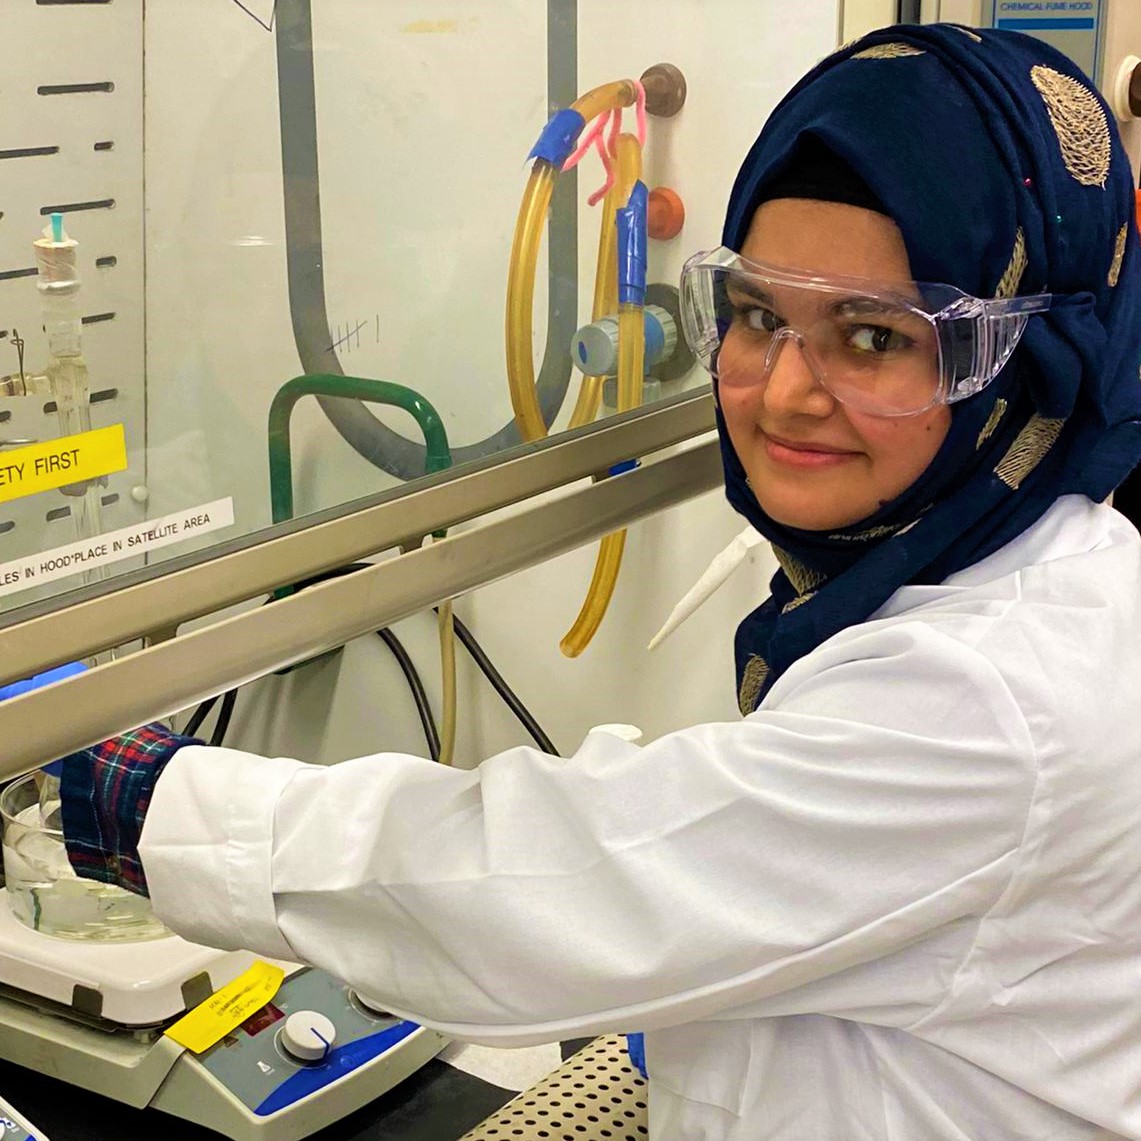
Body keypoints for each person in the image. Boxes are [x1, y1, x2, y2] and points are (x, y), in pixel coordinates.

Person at [58, 24, 1141, 1141]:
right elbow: (708, 848)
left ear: (1026, 365)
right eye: (759, 315)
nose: (782, 394)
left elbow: (555, 883)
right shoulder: (1046, 560)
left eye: (873, 338)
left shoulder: (991, 703)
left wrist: (132, 790)